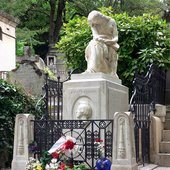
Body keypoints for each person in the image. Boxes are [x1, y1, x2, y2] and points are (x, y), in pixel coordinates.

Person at [84, 10, 119, 77]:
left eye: (95, 22)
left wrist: (109, 41)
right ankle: (91, 70)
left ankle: (93, 70)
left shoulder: (112, 21)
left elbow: (116, 38)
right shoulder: (93, 24)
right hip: (99, 42)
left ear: (99, 18)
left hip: (110, 44)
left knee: (95, 44)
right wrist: (102, 39)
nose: (95, 24)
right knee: (94, 44)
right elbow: (95, 36)